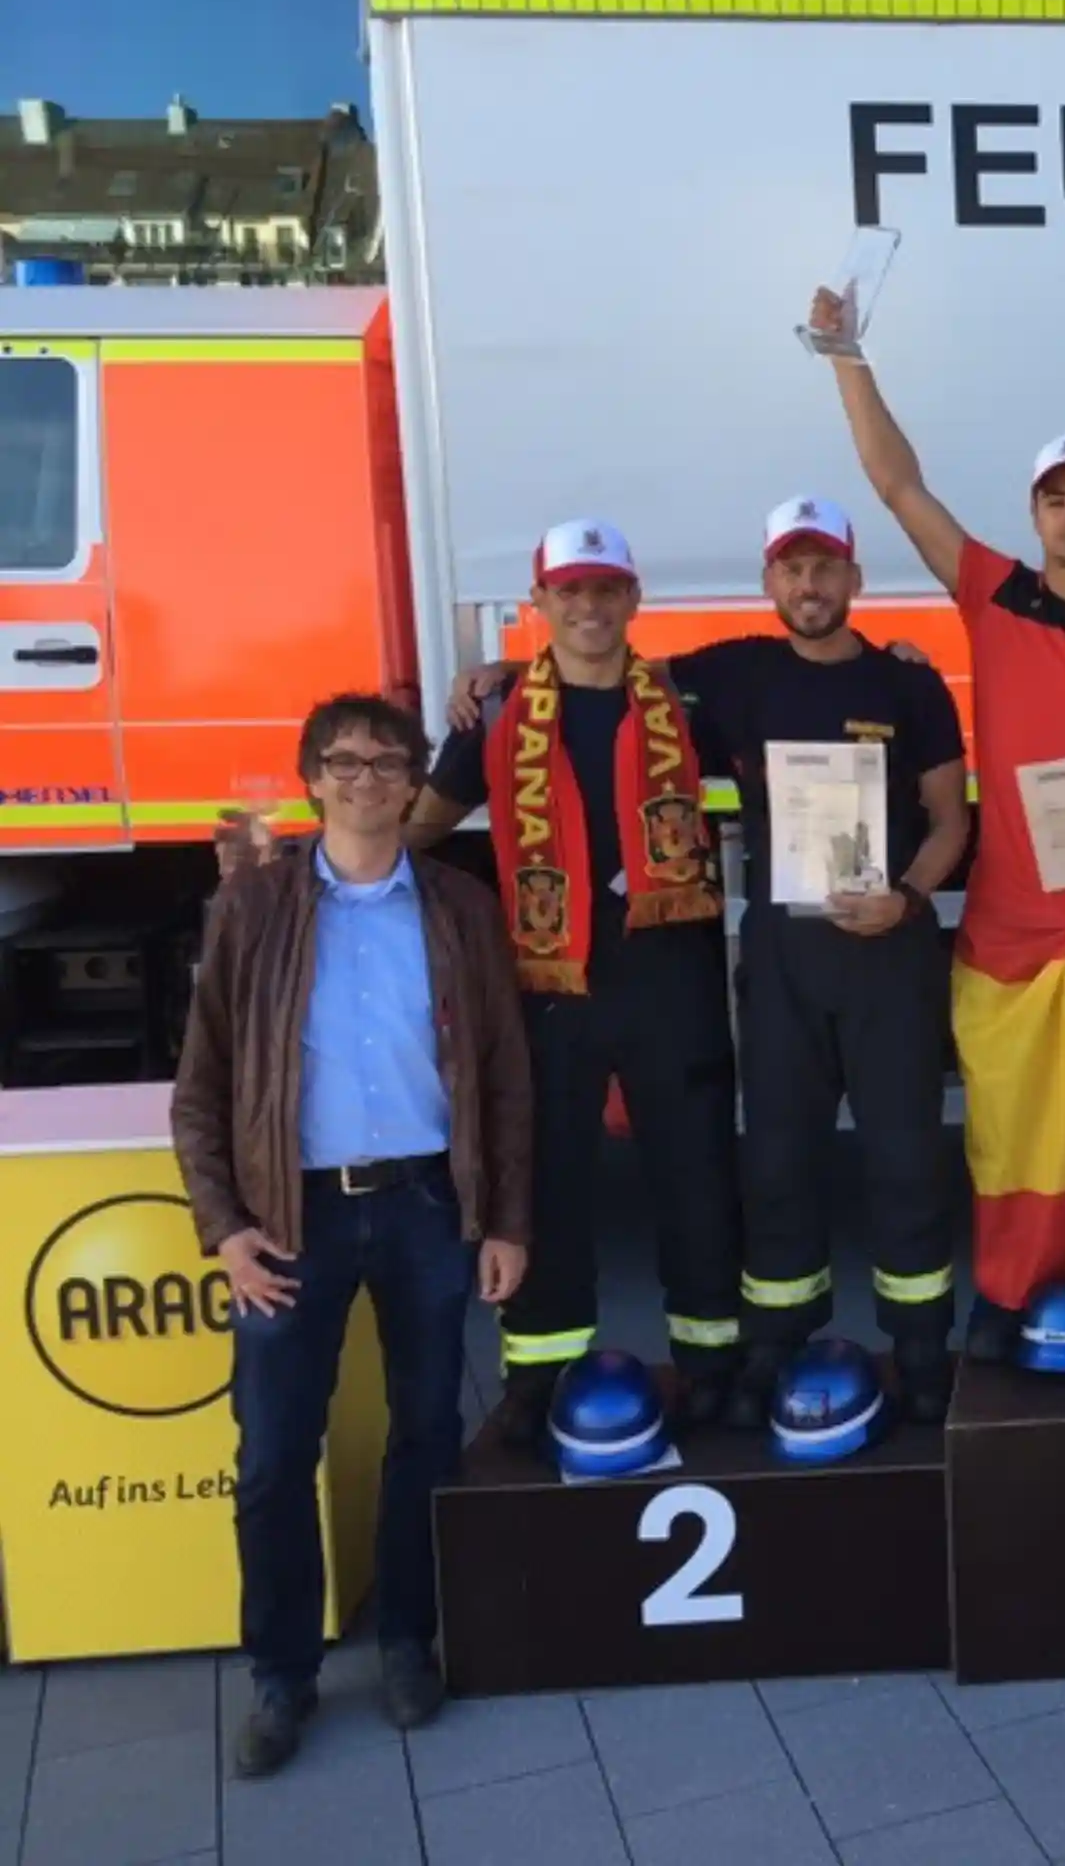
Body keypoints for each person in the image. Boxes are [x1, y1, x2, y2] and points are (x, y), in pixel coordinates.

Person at [446, 498, 973, 1421]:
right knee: (775, 1163)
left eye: (825, 568)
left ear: (855, 577)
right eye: (791, 568)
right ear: (771, 581)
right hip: (781, 960)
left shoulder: (908, 685)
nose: (808, 585)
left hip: (890, 953)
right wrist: (499, 675)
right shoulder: (727, 675)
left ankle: (922, 1347)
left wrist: (911, 901)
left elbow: (950, 819)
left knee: (906, 1161)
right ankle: (776, 1346)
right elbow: (600, 672)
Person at [808, 284, 1065, 1358]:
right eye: (1054, 500)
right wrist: (846, 357)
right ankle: (1016, 1289)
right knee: (1018, 1127)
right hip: (1016, 929)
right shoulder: (992, 594)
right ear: (1034, 516)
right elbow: (896, 484)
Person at [171, 694, 531, 1780]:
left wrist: (507, 1218)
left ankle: (407, 1643)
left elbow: (507, 1076)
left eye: (389, 762)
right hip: (292, 1217)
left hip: (425, 1205)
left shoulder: (461, 907)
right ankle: (281, 1676)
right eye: (345, 761)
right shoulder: (253, 909)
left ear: (416, 780)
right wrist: (226, 1229)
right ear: (312, 778)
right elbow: (203, 1090)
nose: (368, 778)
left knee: (426, 1433)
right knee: (275, 1454)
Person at [410, 518, 743, 1444]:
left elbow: (795, 724)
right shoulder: (496, 716)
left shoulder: (689, 704)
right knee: (545, 1180)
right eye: (570, 592)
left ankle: (712, 1362)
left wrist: (905, 660)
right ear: (541, 604)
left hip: (669, 977)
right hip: (549, 988)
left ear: (634, 600)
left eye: (606, 591)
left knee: (697, 1176)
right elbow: (420, 830)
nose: (589, 608)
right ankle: (538, 1373)